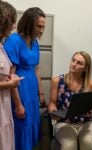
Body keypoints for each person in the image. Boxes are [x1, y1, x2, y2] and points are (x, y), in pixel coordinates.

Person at [4, 7, 47, 150]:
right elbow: (10, 76)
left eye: (43, 27)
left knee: (32, 127)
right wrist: (18, 105)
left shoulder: (35, 43)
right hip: (20, 92)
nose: (41, 30)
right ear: (29, 23)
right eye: (38, 26)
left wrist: (41, 93)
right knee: (21, 129)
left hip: (32, 92)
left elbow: (36, 69)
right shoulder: (14, 40)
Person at [48, 51, 92, 150]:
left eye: (79, 63)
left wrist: (91, 113)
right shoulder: (57, 81)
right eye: (73, 60)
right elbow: (52, 103)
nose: (74, 64)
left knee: (87, 142)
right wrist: (54, 112)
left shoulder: (91, 84)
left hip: (86, 123)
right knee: (69, 145)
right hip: (64, 123)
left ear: (85, 68)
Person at [0, 1, 23, 150]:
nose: (14, 26)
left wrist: (8, 78)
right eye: (12, 21)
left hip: (4, 106)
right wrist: (9, 84)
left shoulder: (1, 46)